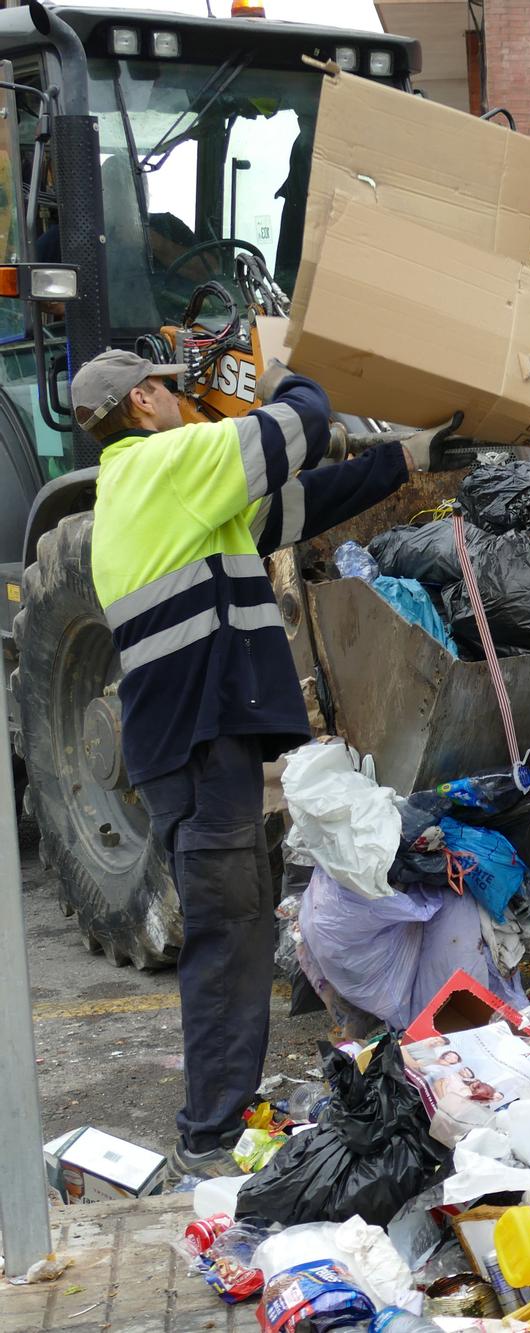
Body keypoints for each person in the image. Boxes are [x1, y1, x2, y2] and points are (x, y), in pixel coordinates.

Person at [75, 348, 454, 1177]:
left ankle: (225, 1115)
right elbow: (304, 427)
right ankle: (210, 1134)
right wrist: (287, 374)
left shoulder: (150, 490)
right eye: (170, 388)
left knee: (239, 929)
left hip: (195, 742)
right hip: (202, 740)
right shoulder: (167, 462)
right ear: (143, 399)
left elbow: (296, 504)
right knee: (228, 934)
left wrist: (404, 459)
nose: (180, 399)